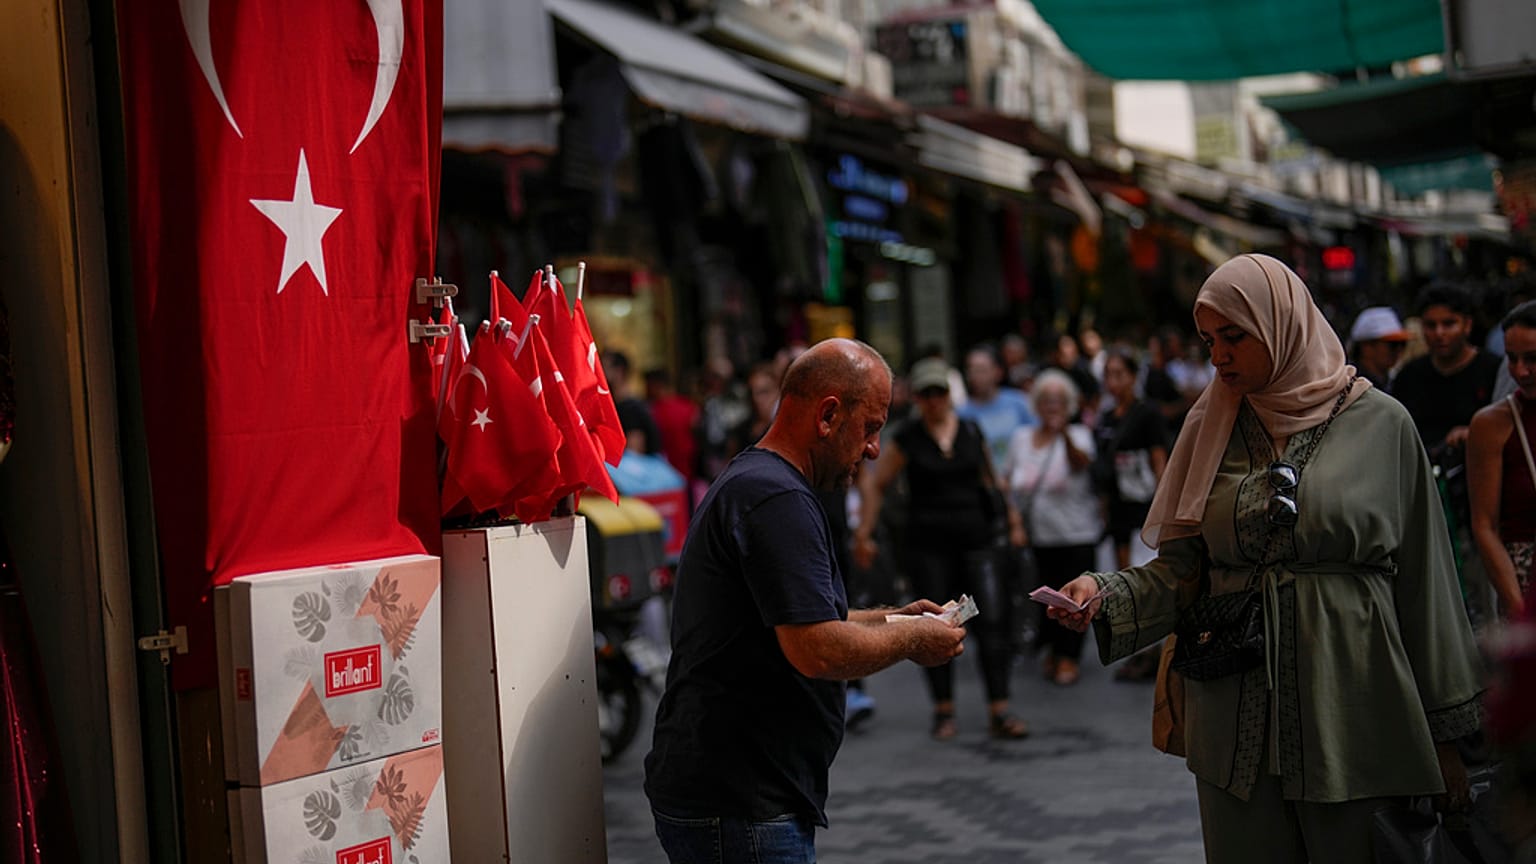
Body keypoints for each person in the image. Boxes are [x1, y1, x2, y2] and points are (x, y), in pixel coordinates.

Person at [1051, 254, 1482, 862]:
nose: (1217, 357)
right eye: (1207, 341)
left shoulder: (1383, 424)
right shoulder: (1210, 424)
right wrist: (1103, 593)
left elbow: (1426, 583)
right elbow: (1182, 568)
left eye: (1234, 337)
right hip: (1235, 713)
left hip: (1354, 695)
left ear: (1282, 325)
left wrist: (1447, 731)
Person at [644, 339, 966, 863]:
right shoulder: (776, 497)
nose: (874, 449)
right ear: (829, 415)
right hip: (741, 800)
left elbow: (805, 616)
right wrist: (912, 639)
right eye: (870, 427)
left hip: (737, 791)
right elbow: (815, 647)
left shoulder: (764, 483)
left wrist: (895, 617)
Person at [854, 357, 1031, 740]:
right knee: (936, 623)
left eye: (940, 392)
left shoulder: (970, 430)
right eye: (926, 394)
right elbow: (876, 483)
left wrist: (1013, 521)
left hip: (977, 541)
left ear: (950, 395)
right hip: (928, 546)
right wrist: (865, 532)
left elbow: (992, 480)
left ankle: (999, 707)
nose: (934, 400)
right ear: (917, 398)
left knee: (992, 620)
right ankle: (943, 709)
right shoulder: (908, 438)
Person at [1003, 369, 1101, 686]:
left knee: (1074, 600)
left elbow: (1081, 463)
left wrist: (1064, 436)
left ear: (1070, 404)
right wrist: (1014, 521)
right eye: (1046, 400)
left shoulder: (1081, 435)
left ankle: (1069, 657)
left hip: (1076, 534)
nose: (1052, 406)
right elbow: (1005, 482)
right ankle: (1050, 651)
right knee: (1044, 599)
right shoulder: (1021, 438)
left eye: (1059, 401)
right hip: (1037, 536)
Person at [1468, 299, 1536, 620]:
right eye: (1512, 359)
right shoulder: (1493, 424)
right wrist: (1517, 605)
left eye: (1533, 359)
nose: (1521, 371)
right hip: (1523, 585)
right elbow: (1485, 525)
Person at [956, 343, 1035, 470]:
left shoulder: (1018, 402)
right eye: (971, 370)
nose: (976, 376)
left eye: (982, 370)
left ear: (998, 372)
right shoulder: (961, 412)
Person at [1346, 306, 1410, 389]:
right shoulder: (1350, 386)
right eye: (1393, 344)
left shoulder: (1399, 383)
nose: (1399, 349)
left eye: (1402, 343)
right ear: (1367, 347)